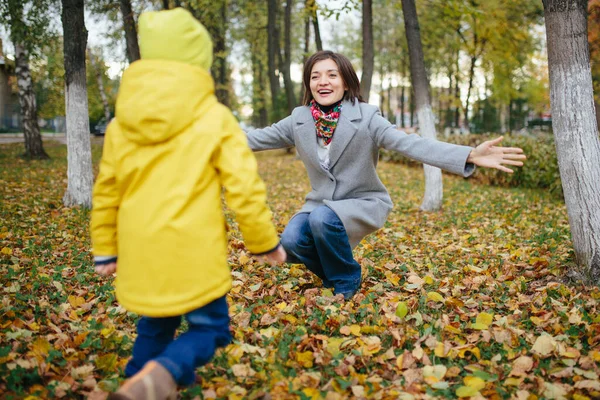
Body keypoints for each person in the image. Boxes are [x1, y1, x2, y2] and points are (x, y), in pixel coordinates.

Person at [90, 8, 286, 400]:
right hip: (194, 251)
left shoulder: (120, 124)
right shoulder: (215, 118)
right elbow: (243, 187)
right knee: (211, 329)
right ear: (199, 59)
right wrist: (264, 242)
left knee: (156, 326)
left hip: (141, 248)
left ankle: (137, 383)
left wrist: (105, 250)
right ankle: (165, 372)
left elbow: (107, 190)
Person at [246, 50, 525, 300]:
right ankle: (339, 273)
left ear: (346, 81)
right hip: (320, 203)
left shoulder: (366, 117)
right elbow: (256, 138)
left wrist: (468, 154)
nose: (323, 82)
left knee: (322, 219)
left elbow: (410, 143)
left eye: (332, 75)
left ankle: (345, 280)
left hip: (362, 201)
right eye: (315, 76)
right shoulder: (299, 119)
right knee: (292, 241)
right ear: (308, 84)